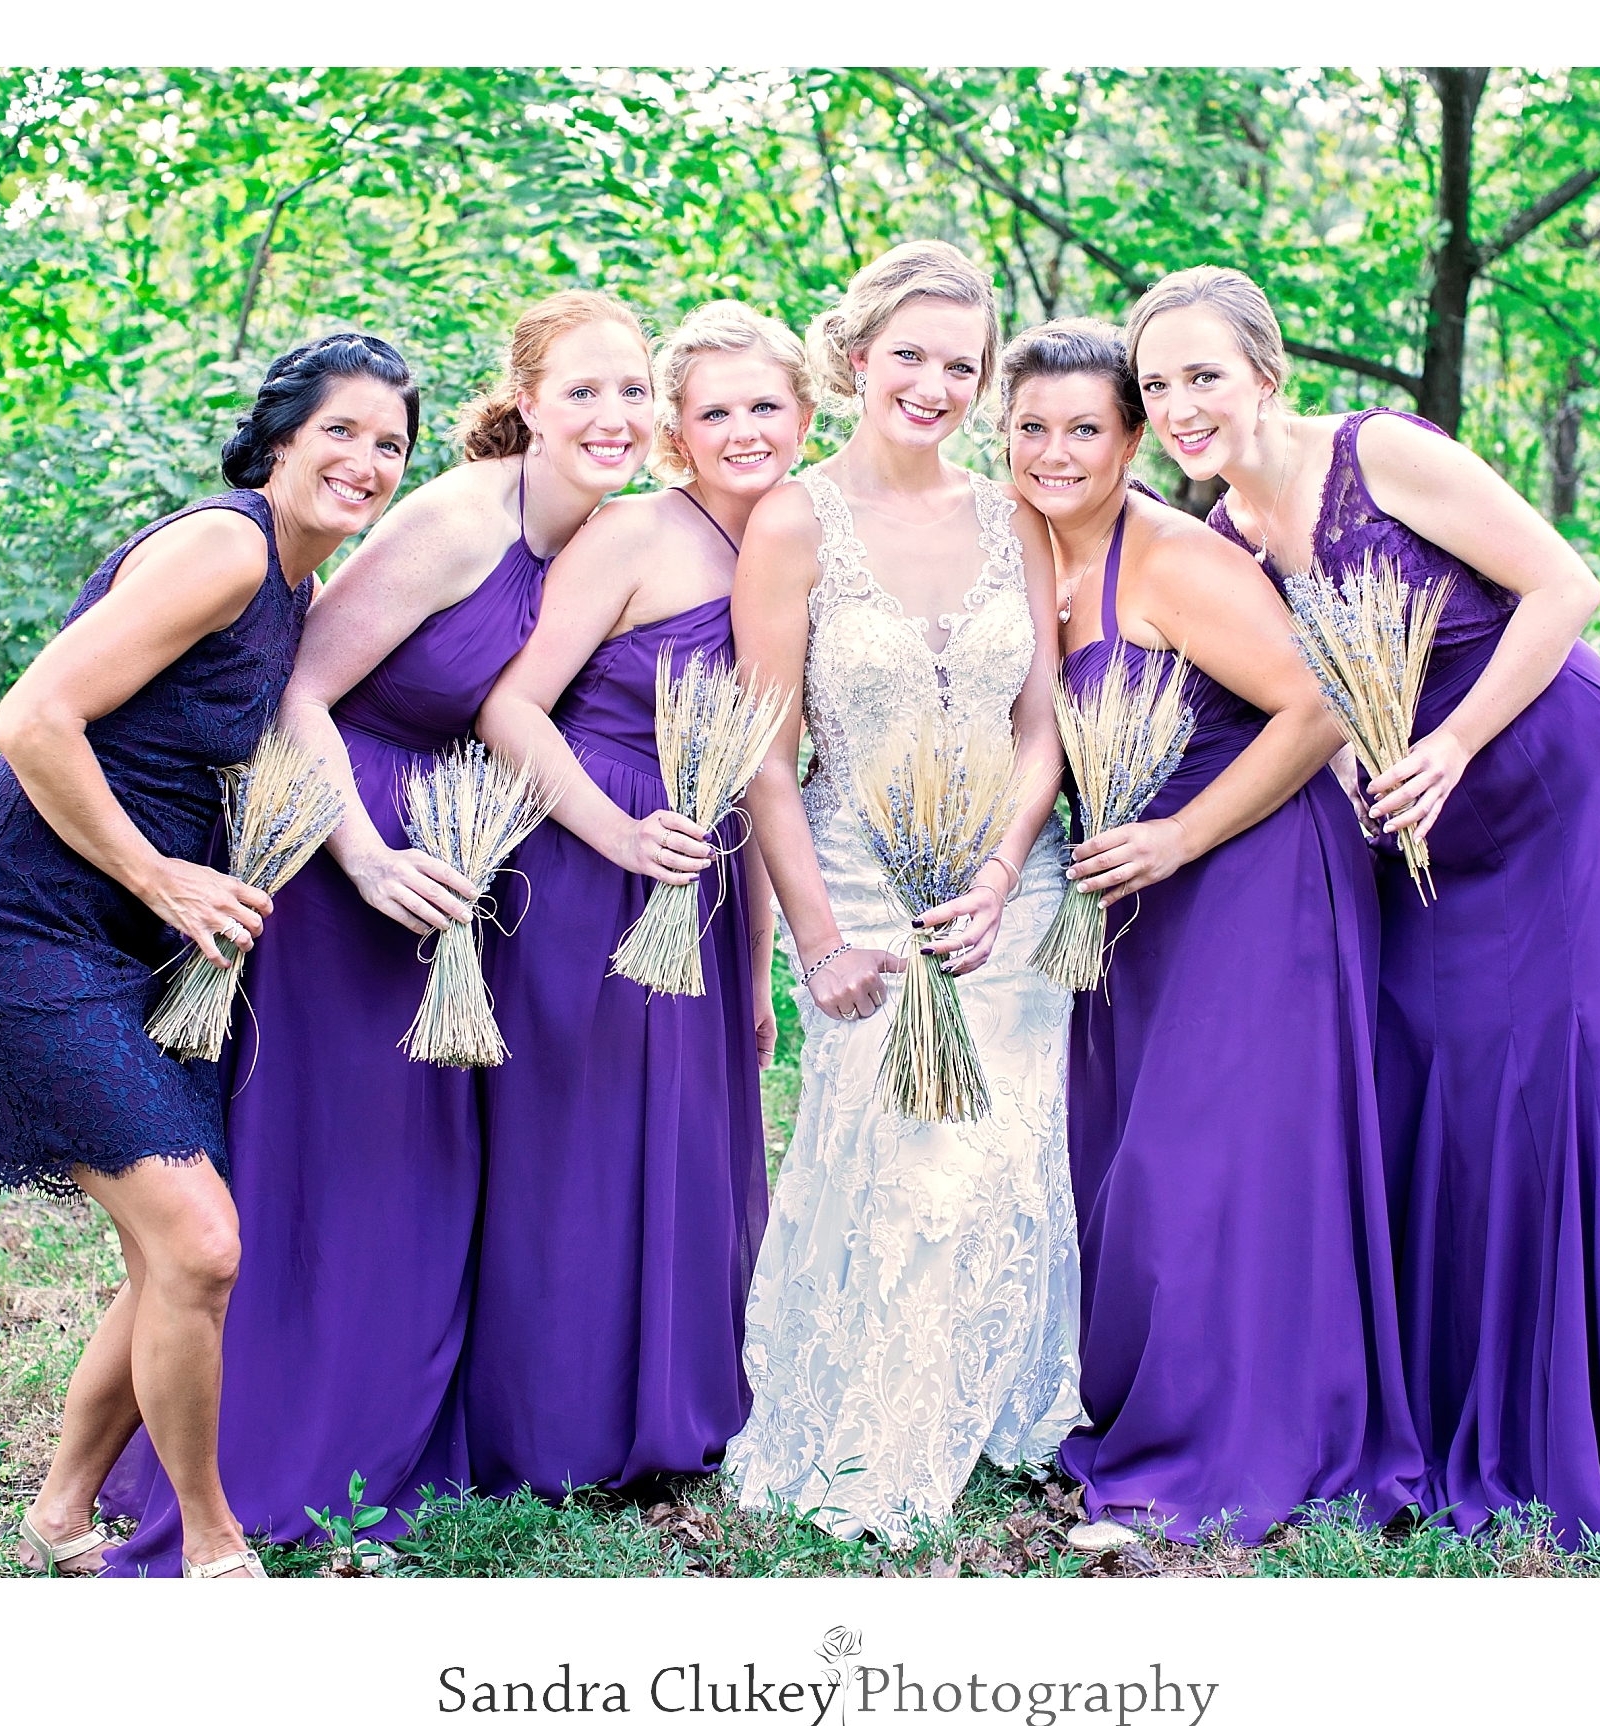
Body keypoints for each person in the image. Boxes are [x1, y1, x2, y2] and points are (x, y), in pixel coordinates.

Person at [1135, 264, 1600, 1553]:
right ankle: (1456, 1409)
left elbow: (1565, 587)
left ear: (1269, 374)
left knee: (1583, 1091)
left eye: (1205, 373)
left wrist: (1454, 744)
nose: (1182, 404)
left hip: (1564, 791)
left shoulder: (1386, 458)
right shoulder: (1229, 545)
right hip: (1427, 841)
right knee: (1446, 1096)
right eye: (1157, 386)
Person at [96, 291, 648, 1574]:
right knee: (336, 1168)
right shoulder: (462, 515)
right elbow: (299, 687)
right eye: (581, 391)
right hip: (350, 852)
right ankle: (270, 1465)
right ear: (525, 399)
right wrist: (363, 854)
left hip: (446, 864)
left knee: (428, 1171)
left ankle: (389, 1443)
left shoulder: (607, 538)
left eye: (632, 392)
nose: (611, 416)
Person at [0, 333, 419, 1579]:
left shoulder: (296, 591)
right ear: (282, 438)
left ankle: (58, 1517)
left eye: (390, 445)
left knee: (166, 1256)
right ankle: (209, 1543)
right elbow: (31, 718)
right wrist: (159, 874)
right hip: (21, 926)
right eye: (342, 431)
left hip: (139, 948)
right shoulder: (228, 546)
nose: (365, 461)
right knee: (201, 1243)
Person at [1000, 319, 1425, 1548]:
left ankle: (1226, 1449)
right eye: (1032, 428)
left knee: (1208, 1162)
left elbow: (1321, 704)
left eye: (1087, 427)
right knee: (1127, 1159)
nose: (1057, 450)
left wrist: (1183, 838)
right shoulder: (1026, 556)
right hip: (1135, 896)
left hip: (1255, 868)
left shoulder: (1177, 561)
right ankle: (1149, 1403)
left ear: (1132, 440)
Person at [723, 241, 1083, 1542]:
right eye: (912, 355)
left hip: (1009, 890)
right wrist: (815, 941)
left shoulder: (1013, 520)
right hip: (861, 898)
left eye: (962, 363)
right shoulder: (791, 521)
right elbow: (764, 756)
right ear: (860, 356)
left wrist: (998, 875)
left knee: (996, 1157)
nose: (935, 382)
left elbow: (1043, 726)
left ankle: (985, 1401)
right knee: (896, 1161)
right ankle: (874, 1423)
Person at [466, 300, 804, 1498]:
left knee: (692, 1146)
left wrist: (758, 970)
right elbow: (509, 707)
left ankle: (682, 1410)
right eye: (715, 410)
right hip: (585, 857)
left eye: (766, 405)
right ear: (676, 432)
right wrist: (614, 833)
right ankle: (559, 1431)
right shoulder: (634, 535)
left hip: (704, 879)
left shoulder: (795, 554)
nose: (743, 429)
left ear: (807, 416)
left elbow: (765, 772)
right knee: (582, 1145)